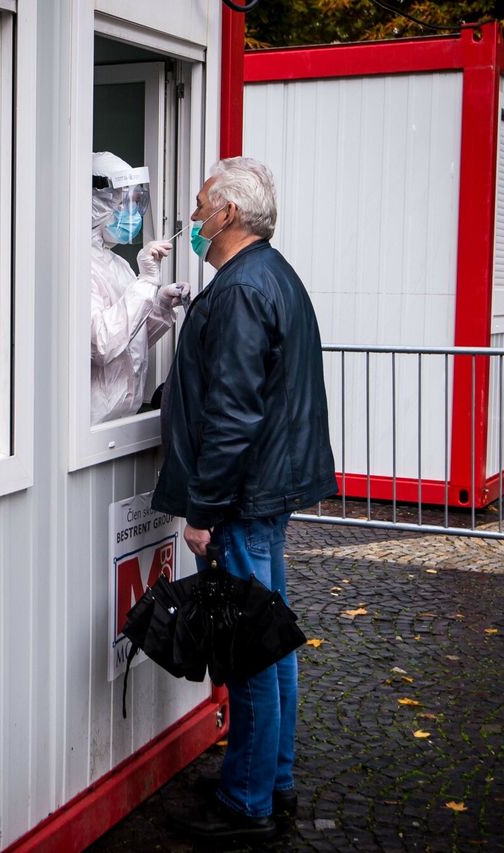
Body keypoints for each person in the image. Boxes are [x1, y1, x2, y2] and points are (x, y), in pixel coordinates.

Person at [152, 157, 337, 842]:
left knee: (251, 650)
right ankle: (270, 776)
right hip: (269, 490)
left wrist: (202, 510)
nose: (195, 219)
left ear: (229, 213)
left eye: (202, 206)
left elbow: (231, 415)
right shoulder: (274, 275)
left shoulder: (236, 291)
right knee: (271, 641)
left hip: (242, 498)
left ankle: (247, 801)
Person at [90, 151, 188, 424]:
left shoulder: (117, 264)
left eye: (137, 203)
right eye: (125, 203)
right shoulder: (77, 266)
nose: (133, 215)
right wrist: (145, 282)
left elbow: (131, 340)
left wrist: (160, 305)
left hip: (123, 422)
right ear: (97, 203)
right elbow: (102, 344)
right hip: (90, 428)